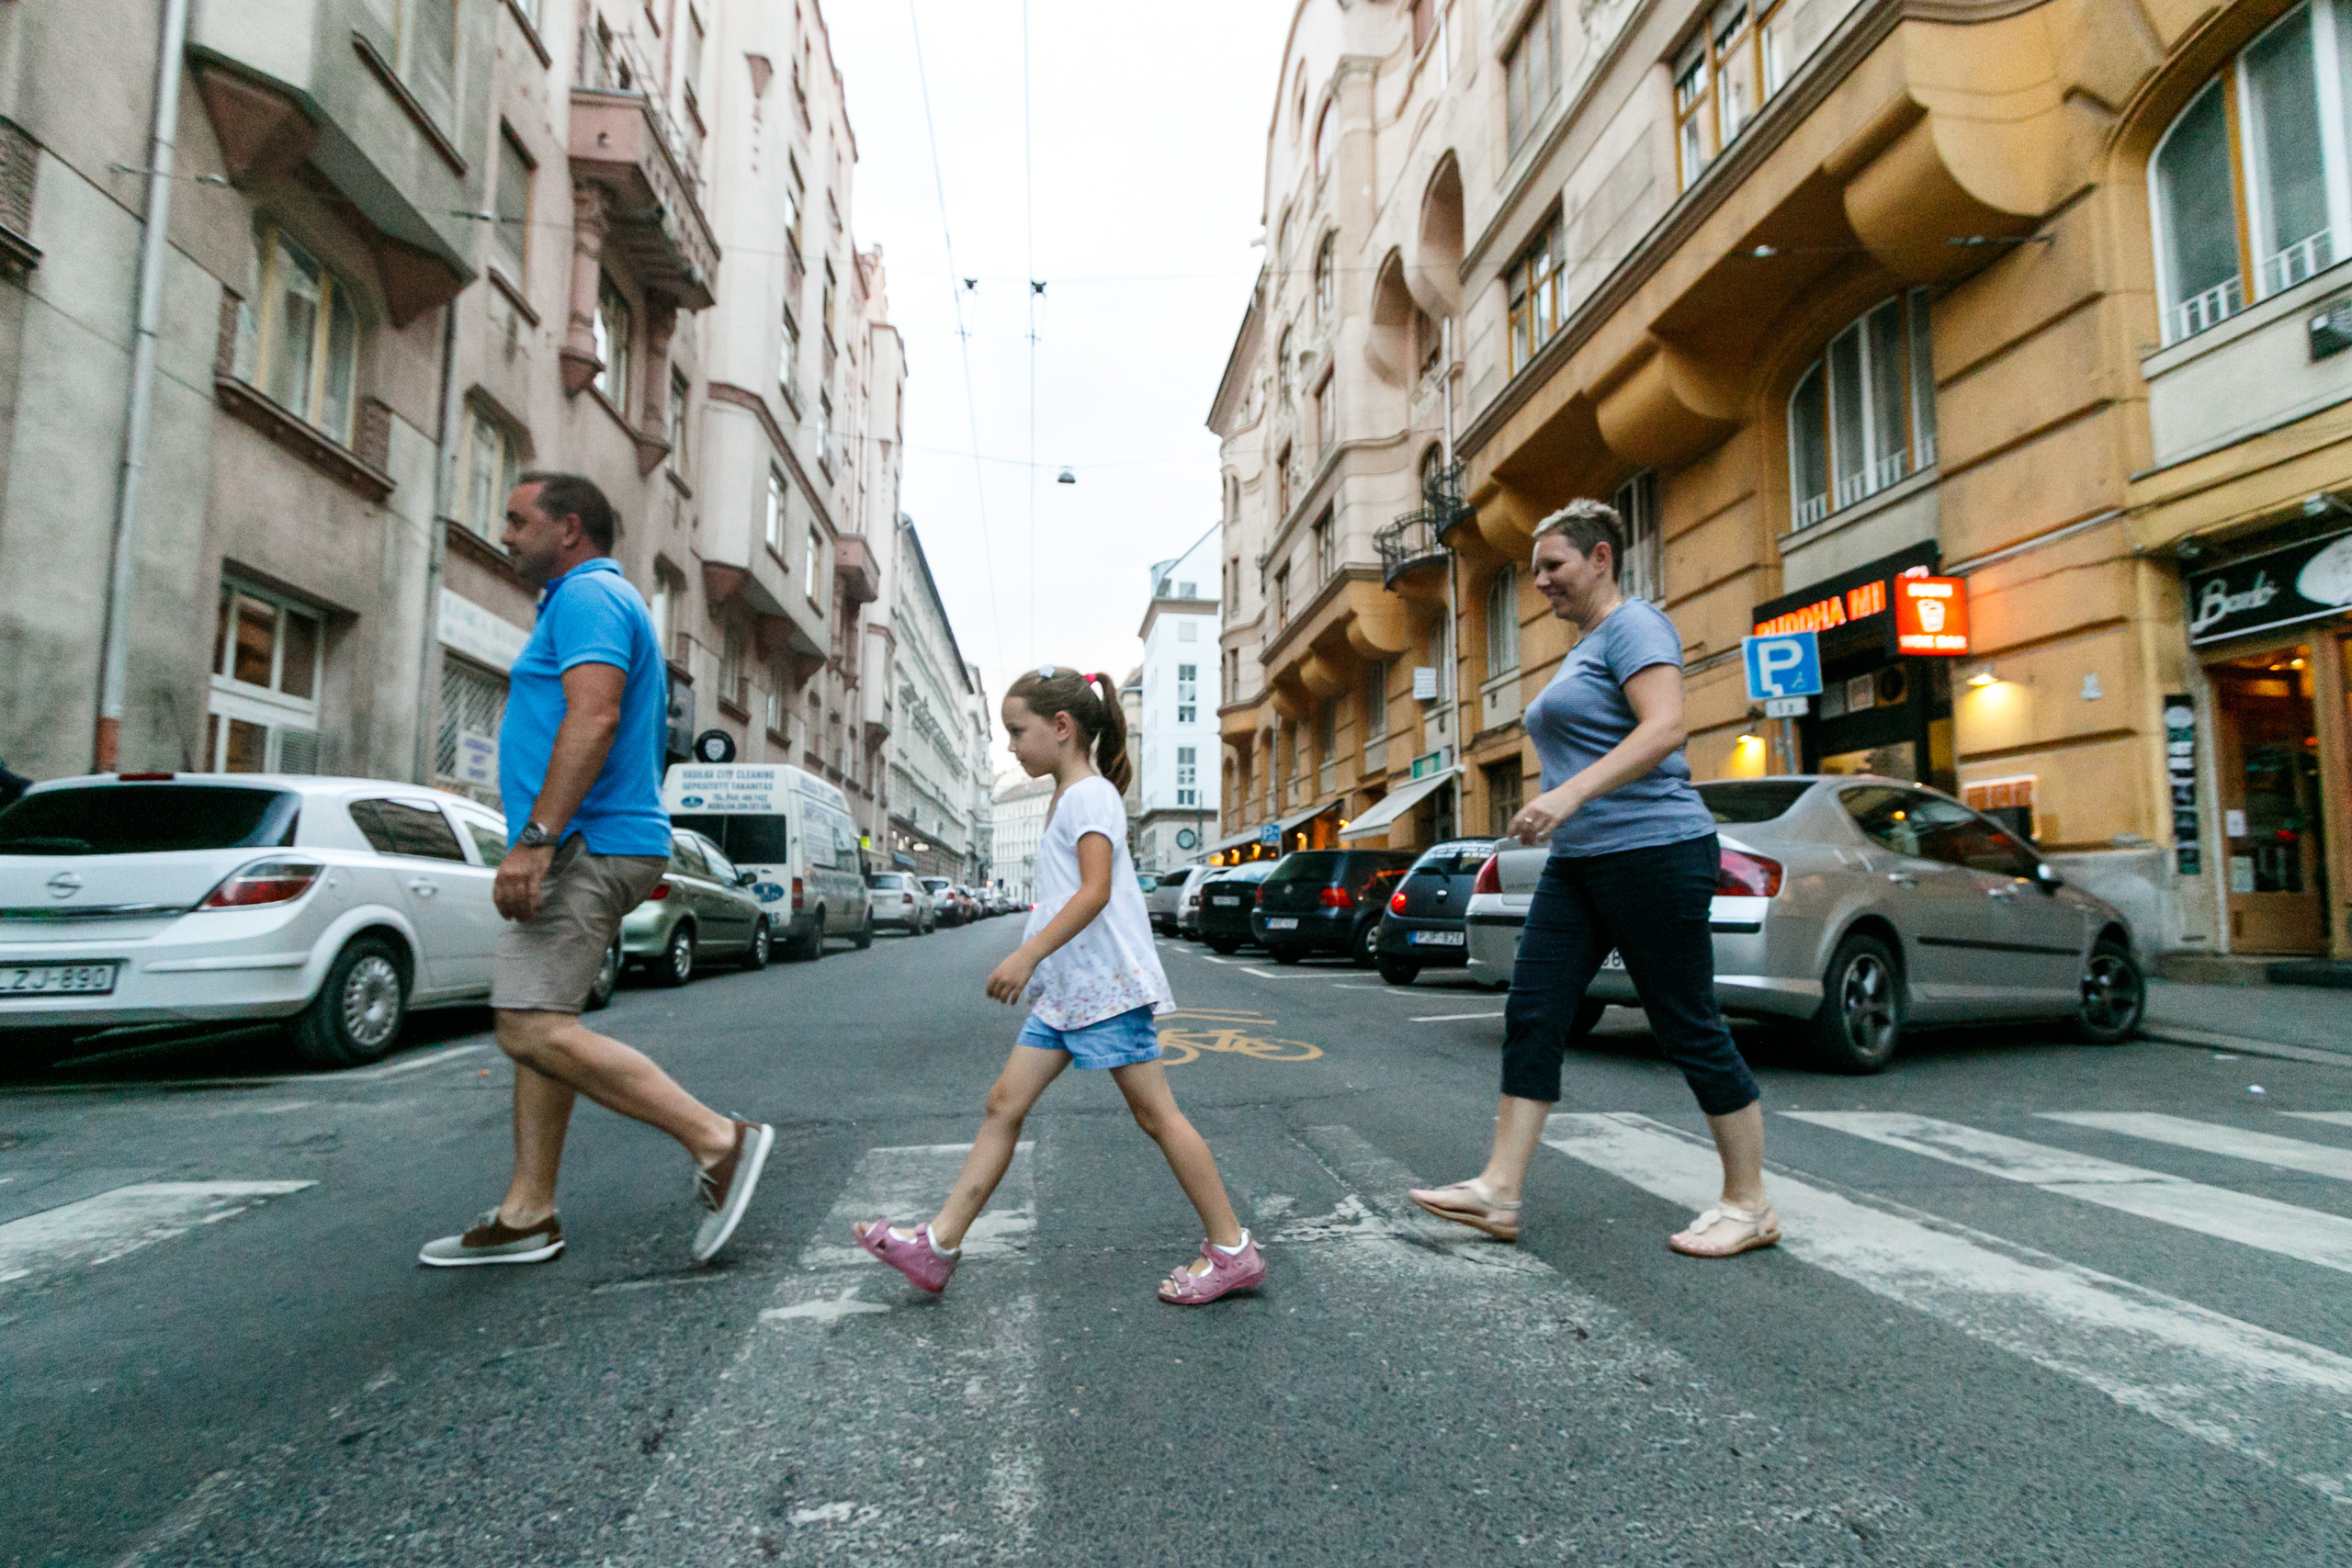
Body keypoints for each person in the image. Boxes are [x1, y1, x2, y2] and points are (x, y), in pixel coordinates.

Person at [1408, 499, 1778, 1258]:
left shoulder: (1636, 625)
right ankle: (1499, 1190)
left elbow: (1666, 727)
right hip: (1580, 861)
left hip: (1653, 850)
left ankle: (1750, 1203)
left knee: (1686, 1023)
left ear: (1601, 558)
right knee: (1535, 1012)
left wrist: (1568, 793)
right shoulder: (1584, 645)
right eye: (1536, 569)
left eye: (1554, 567)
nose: (1541, 583)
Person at [420, 473, 771, 1269]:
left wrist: (537, 838)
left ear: (569, 528)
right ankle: (528, 1211)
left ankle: (719, 1140)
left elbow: (596, 714)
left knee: (528, 1025)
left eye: (517, 519)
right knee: (544, 1021)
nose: (504, 533)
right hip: (599, 838)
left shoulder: (589, 597)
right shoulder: (586, 600)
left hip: (587, 842)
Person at [852, 667, 1263, 1304]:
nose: (1011, 746)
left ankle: (1233, 1249)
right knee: (1003, 1103)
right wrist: (1043, 962)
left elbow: (1095, 891)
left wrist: (1028, 955)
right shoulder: (1068, 794)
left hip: (1105, 986)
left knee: (1157, 1114)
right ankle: (937, 1248)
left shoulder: (1090, 796)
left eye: (1018, 730)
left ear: (1062, 727)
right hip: (1071, 990)